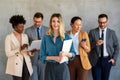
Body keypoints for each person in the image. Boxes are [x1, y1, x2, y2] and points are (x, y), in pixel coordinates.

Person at [39, 13, 76, 80]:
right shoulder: (45, 37)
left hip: (62, 68)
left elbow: (73, 53)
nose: (55, 24)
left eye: (58, 21)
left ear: (61, 23)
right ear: (50, 23)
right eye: (53, 21)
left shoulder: (67, 37)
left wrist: (65, 54)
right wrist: (54, 58)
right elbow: (42, 56)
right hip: (49, 69)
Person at [89, 14, 119, 80]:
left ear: (107, 21)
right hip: (95, 60)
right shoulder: (92, 32)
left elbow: (117, 46)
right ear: (98, 21)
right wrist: (95, 43)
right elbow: (88, 46)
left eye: (104, 22)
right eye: (100, 22)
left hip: (107, 60)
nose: (102, 24)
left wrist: (114, 58)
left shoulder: (112, 33)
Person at [5, 15, 33, 80]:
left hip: (26, 64)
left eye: (23, 26)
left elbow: (27, 51)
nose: (22, 28)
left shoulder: (25, 36)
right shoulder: (9, 37)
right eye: (20, 27)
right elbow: (8, 53)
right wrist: (20, 49)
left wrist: (31, 52)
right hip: (16, 65)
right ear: (15, 27)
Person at [24, 12, 48, 80]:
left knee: (43, 78)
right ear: (33, 19)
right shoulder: (27, 30)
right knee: (33, 78)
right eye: (35, 21)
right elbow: (25, 46)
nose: (37, 23)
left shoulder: (48, 30)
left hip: (44, 60)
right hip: (32, 59)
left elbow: (50, 44)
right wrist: (32, 43)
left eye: (39, 22)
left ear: (42, 20)